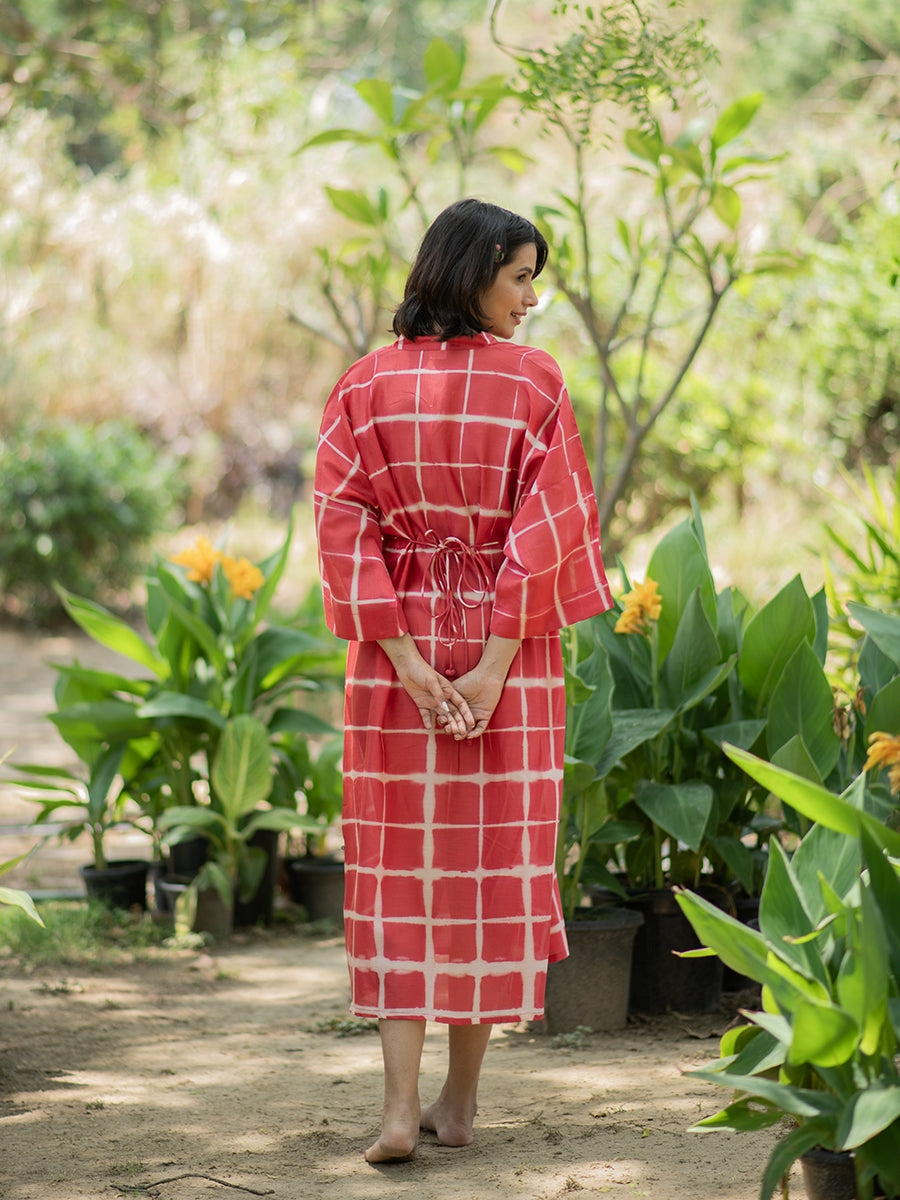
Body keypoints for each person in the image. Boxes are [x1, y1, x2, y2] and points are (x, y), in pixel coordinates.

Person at [313, 197, 612, 1164]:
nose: (531, 298)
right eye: (520, 277)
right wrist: (490, 665)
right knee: (490, 873)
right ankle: (459, 1104)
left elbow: (342, 525)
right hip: (507, 654)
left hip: (390, 650)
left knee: (398, 872)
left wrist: (404, 658)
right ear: (475, 270)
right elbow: (550, 525)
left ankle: (399, 1111)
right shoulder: (536, 383)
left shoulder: (363, 385)